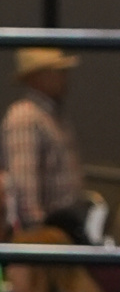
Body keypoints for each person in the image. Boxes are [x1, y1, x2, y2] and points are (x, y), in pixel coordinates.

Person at [1, 46, 85, 232]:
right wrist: (39, 234)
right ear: (37, 76)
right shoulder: (25, 117)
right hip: (48, 232)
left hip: (62, 230)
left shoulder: (52, 117)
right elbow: (24, 188)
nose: (64, 76)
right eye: (57, 71)